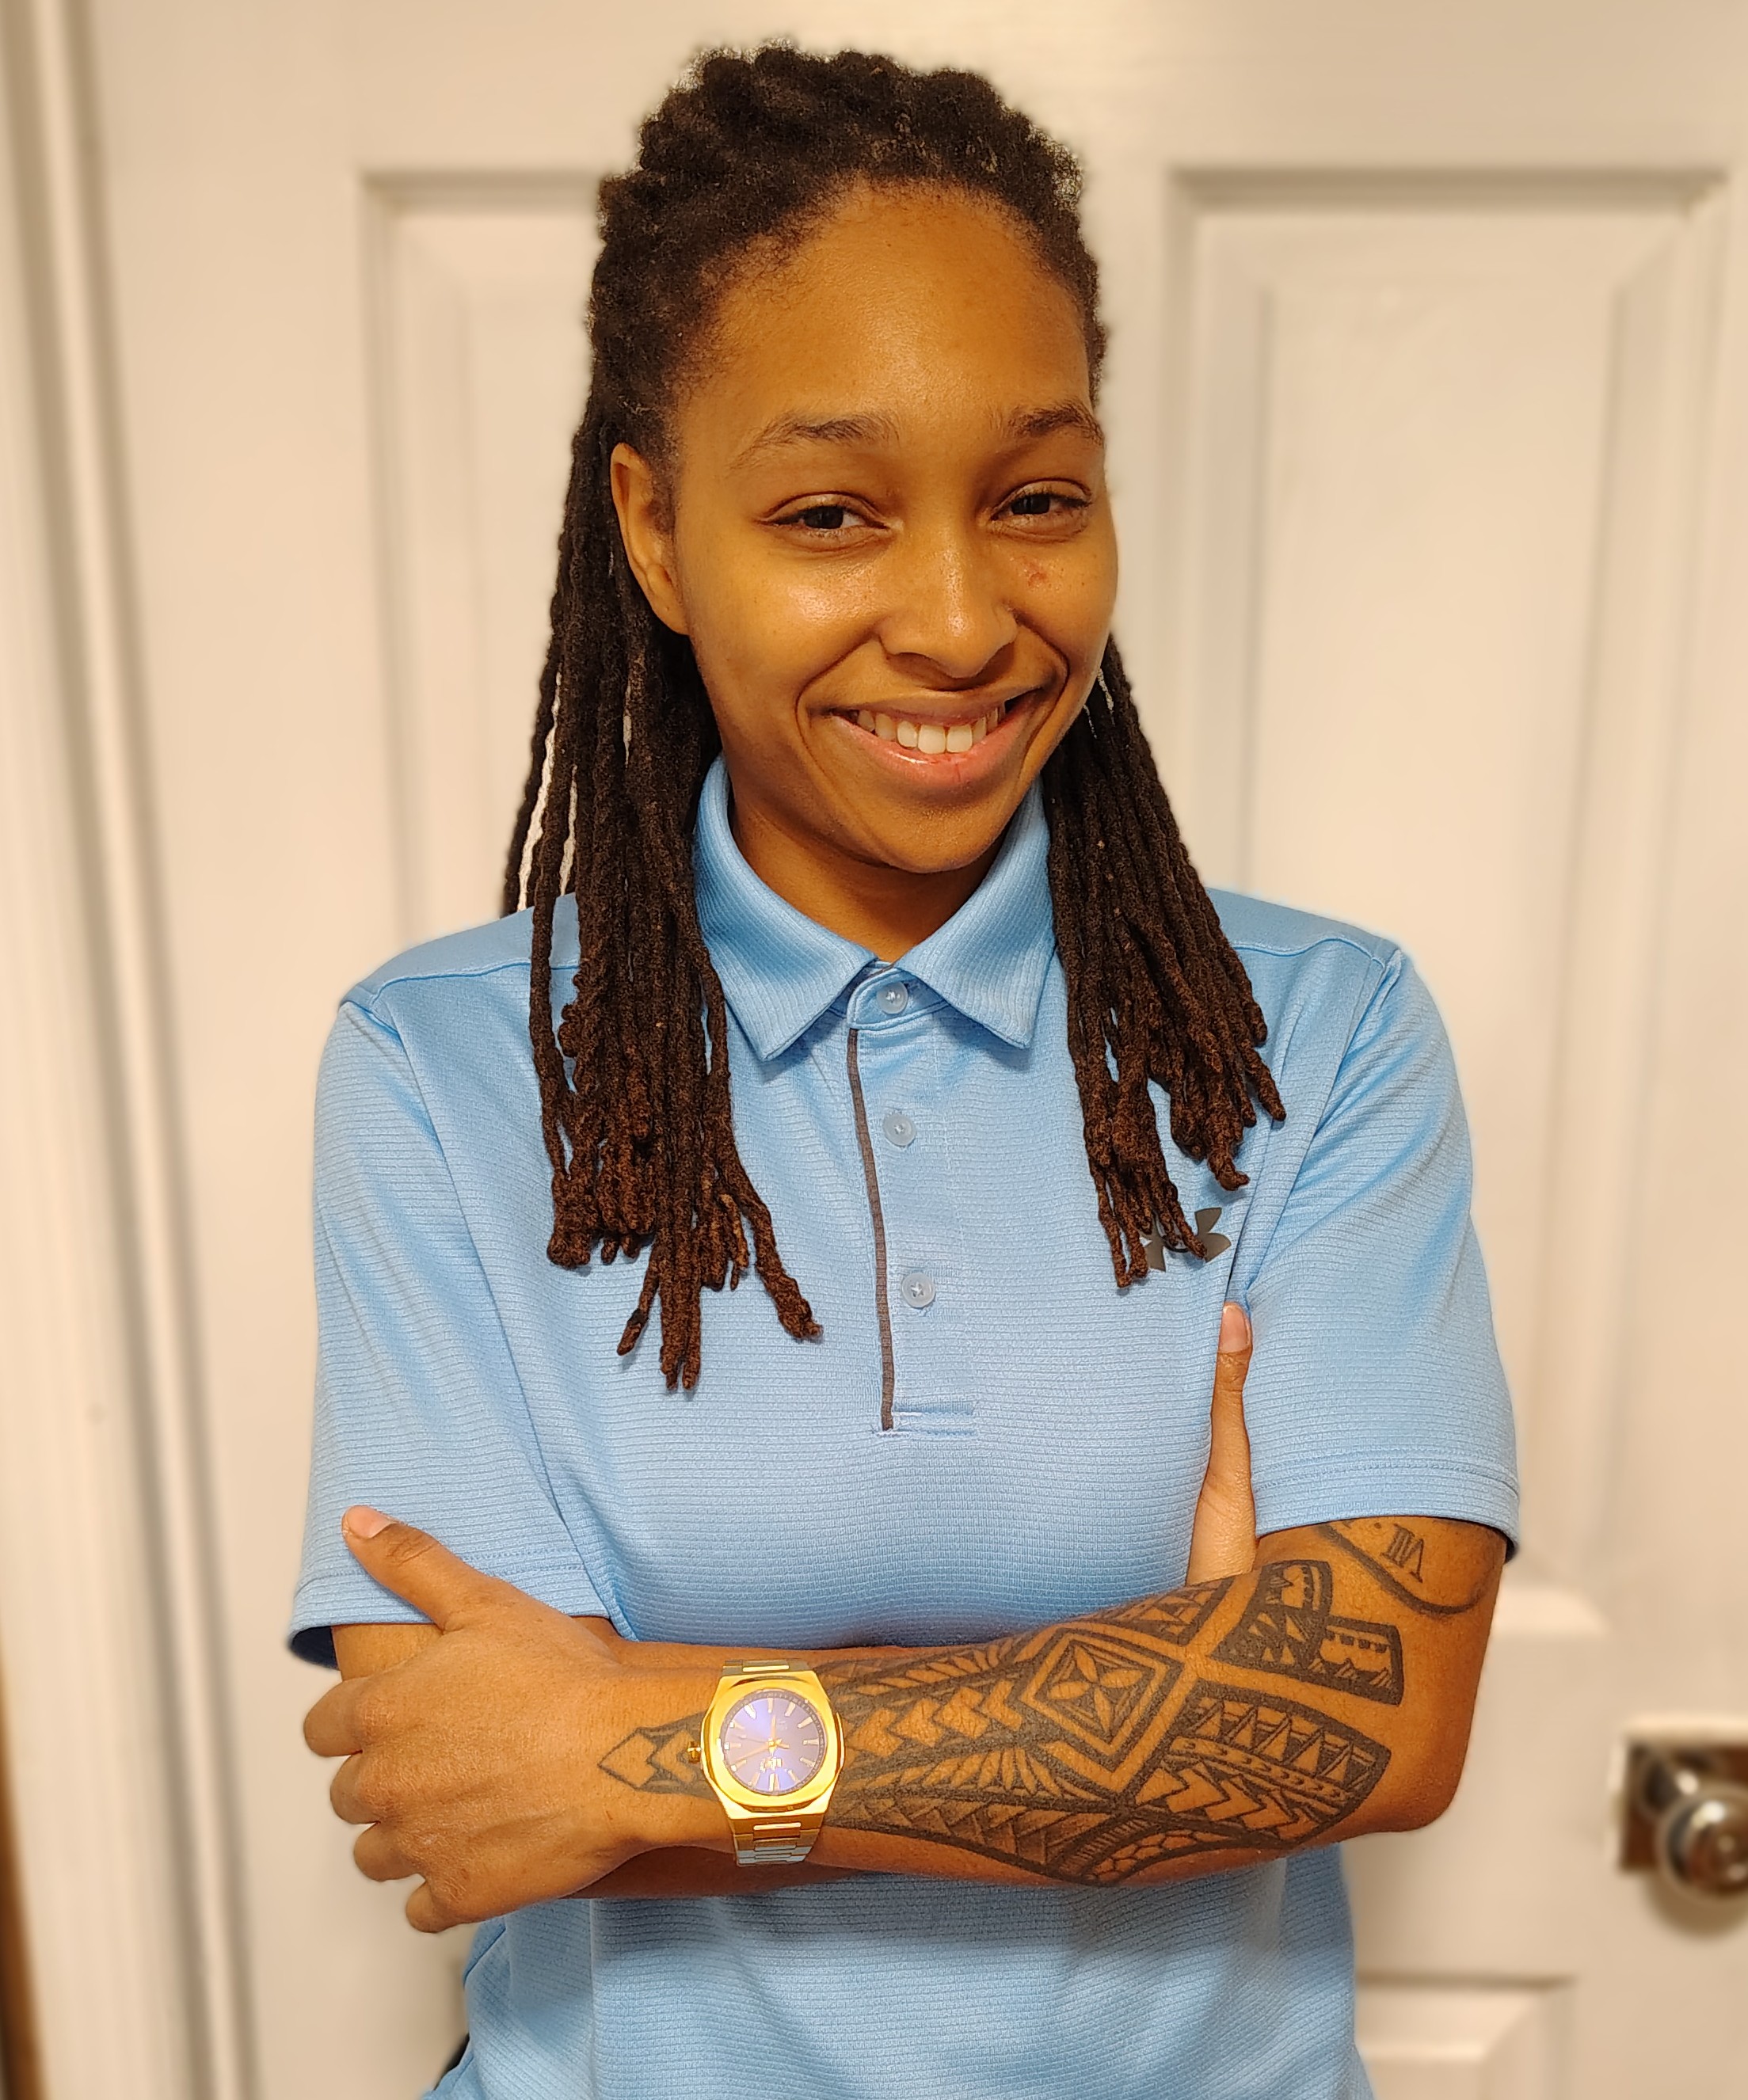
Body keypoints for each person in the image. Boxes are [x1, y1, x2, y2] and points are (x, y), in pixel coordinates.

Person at [293, 45, 1518, 2100]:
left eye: (1037, 496)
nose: (960, 618)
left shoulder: (1322, 1032)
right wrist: (1163, 1703)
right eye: (831, 511)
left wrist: (644, 1734)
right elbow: (467, 1786)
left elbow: (1373, 1717)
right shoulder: (441, 1072)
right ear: (659, 532)